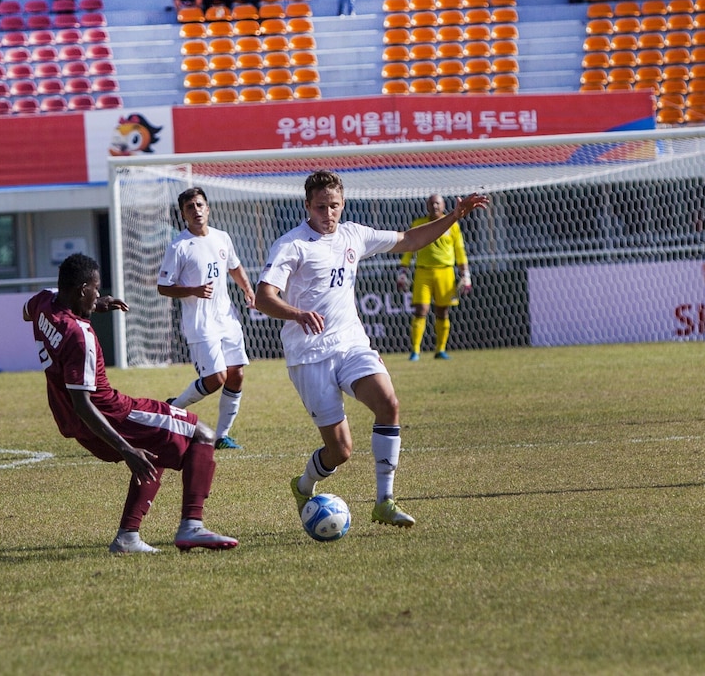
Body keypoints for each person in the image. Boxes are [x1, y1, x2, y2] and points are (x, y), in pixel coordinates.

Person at [254, 171, 488, 529]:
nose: (327, 213)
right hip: (308, 356)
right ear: (307, 206)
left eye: (334, 206)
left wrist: (454, 216)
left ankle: (384, 501)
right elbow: (263, 298)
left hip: (350, 344)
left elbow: (410, 240)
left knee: (388, 403)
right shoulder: (292, 244)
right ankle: (303, 485)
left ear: (342, 204)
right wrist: (298, 313)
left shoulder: (354, 234)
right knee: (340, 452)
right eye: (320, 207)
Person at [24, 253, 239, 554]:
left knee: (159, 448)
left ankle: (128, 537)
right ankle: (193, 525)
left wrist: (93, 306)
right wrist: (126, 449)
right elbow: (84, 403)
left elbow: (27, 312)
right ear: (82, 288)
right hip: (110, 413)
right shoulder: (80, 336)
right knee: (202, 434)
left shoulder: (44, 302)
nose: (99, 294)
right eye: (96, 289)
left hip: (71, 421)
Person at [157, 188, 256, 451]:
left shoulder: (222, 237)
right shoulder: (179, 246)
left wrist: (247, 289)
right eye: (190, 207)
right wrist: (192, 290)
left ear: (208, 208)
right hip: (200, 324)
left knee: (236, 374)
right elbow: (163, 287)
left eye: (200, 205)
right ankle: (173, 407)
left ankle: (222, 435)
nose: (196, 210)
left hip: (227, 318)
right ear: (183, 214)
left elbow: (234, 266)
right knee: (216, 378)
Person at [396, 194, 473, 362]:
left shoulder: (452, 224)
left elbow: (459, 250)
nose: (434, 206)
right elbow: (409, 248)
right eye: (431, 203)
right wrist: (403, 271)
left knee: (442, 311)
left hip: (445, 272)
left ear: (444, 205)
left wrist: (465, 274)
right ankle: (415, 350)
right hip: (423, 272)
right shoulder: (418, 224)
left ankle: (440, 349)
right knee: (420, 310)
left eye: (437, 203)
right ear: (427, 206)